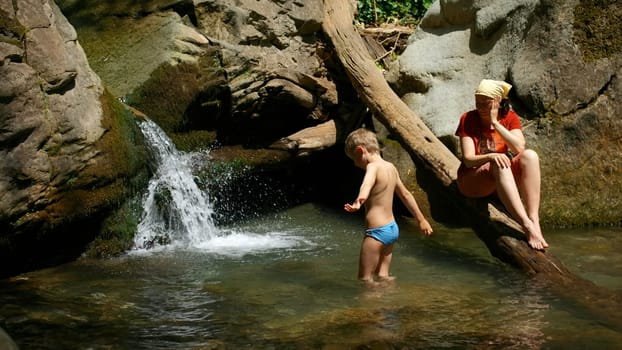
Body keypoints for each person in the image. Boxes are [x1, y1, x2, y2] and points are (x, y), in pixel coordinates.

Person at [455, 79, 549, 250]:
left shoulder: (509, 118)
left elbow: (519, 147)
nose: (481, 107)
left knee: (530, 156)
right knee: (499, 162)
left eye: (486, 103)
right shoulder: (467, 118)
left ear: (499, 101)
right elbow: (468, 159)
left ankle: (535, 220)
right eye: (478, 103)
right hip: (472, 181)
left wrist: (495, 123)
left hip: (498, 180)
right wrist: (490, 157)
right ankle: (526, 225)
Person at [344, 128, 433, 283]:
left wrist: (359, 201)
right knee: (383, 275)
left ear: (361, 150)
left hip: (377, 232)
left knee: (365, 279)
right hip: (392, 229)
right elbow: (406, 194)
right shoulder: (391, 167)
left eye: (354, 158)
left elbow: (366, 184)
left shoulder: (373, 168)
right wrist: (421, 220)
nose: (355, 164)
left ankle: (372, 307)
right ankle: (389, 305)